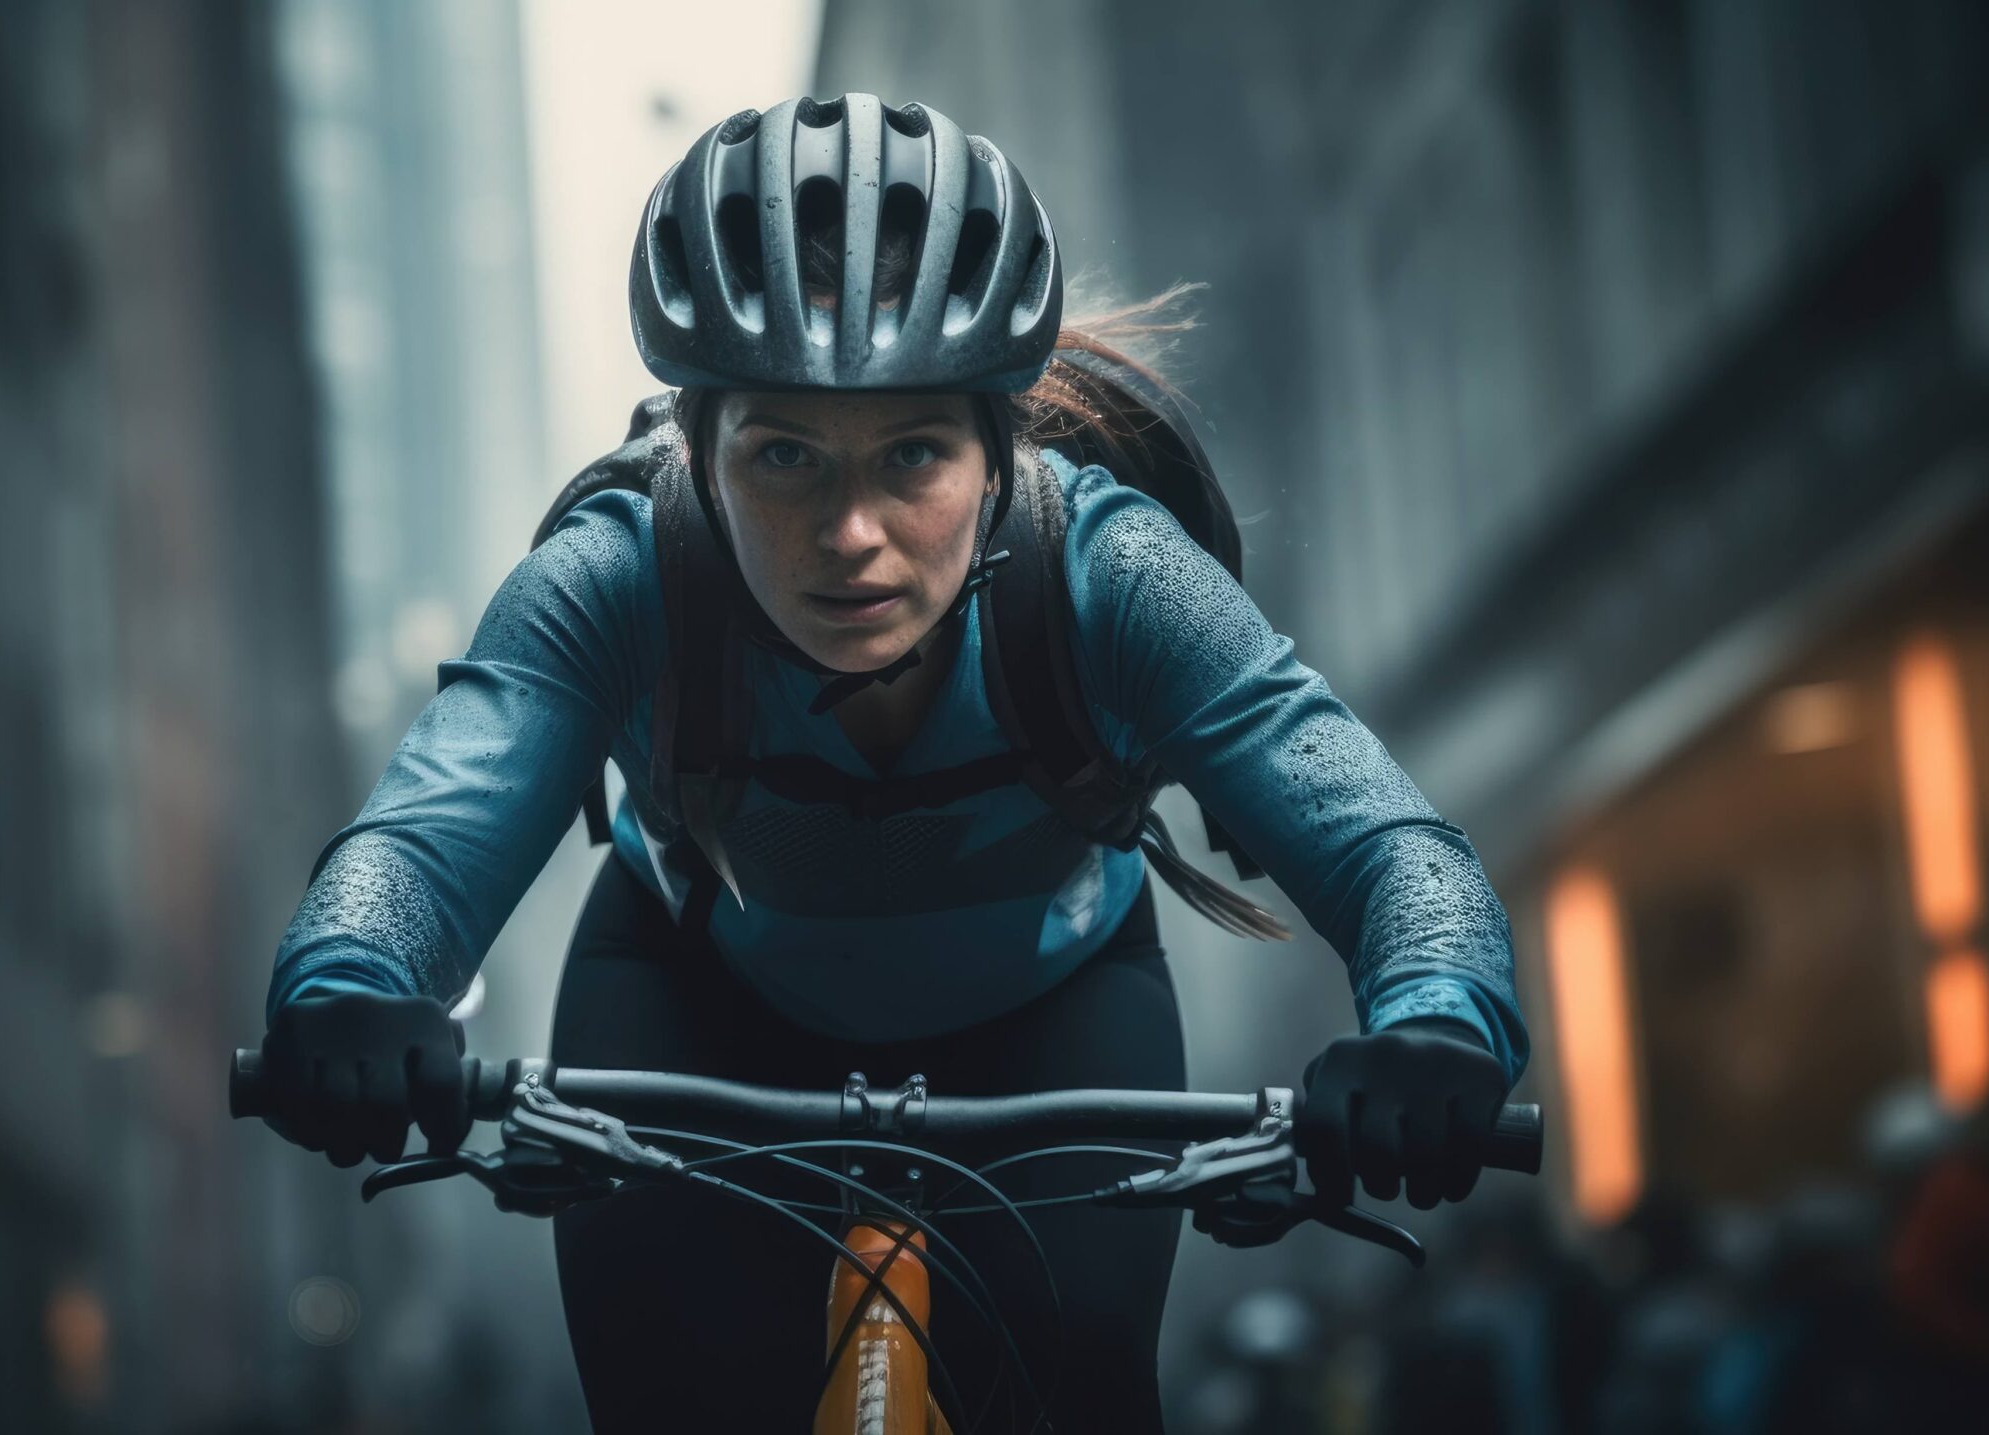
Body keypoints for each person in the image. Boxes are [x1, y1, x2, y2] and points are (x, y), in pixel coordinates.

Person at [249, 93, 1530, 1432]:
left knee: (1083, 1388)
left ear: (997, 451)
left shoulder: (1118, 575)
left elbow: (1388, 843)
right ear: (693, 451)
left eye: (911, 452)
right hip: (692, 1001)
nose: (849, 533)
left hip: (1057, 1012)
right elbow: (425, 835)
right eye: (784, 456)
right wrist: (352, 986)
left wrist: (1436, 1023)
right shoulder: (618, 578)